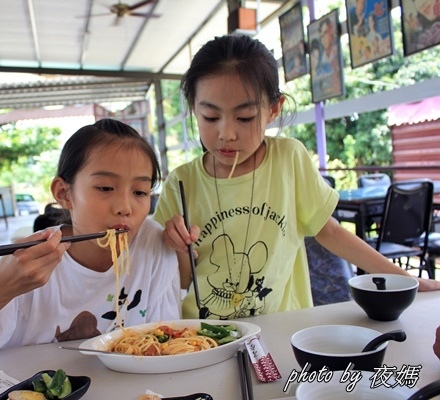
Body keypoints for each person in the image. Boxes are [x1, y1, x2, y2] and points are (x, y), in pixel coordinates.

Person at [152, 34, 440, 321]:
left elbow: (330, 232)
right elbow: (177, 281)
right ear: (194, 110)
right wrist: (179, 249)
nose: (226, 133)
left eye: (245, 117)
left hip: (283, 327)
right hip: (204, 337)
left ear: (273, 109)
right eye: (211, 117)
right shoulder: (181, 183)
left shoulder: (288, 159)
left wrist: (408, 281)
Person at [0, 118, 181, 375]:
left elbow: (168, 345)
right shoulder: (30, 261)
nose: (125, 208)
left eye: (140, 192)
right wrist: (1, 285)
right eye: (105, 187)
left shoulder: (153, 244)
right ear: (64, 193)